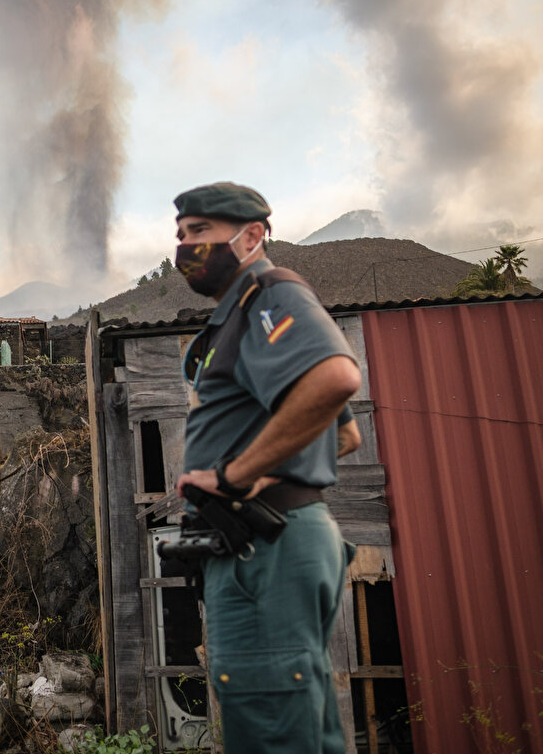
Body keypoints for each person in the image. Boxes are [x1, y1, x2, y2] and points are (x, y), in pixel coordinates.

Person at [171, 181, 360, 753]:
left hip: (264, 546)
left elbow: (336, 381)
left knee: (273, 736)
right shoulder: (240, 315)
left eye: (200, 231)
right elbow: (344, 433)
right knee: (301, 733)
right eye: (180, 235)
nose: (185, 246)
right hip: (265, 544)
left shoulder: (267, 295)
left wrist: (236, 476)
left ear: (252, 236)